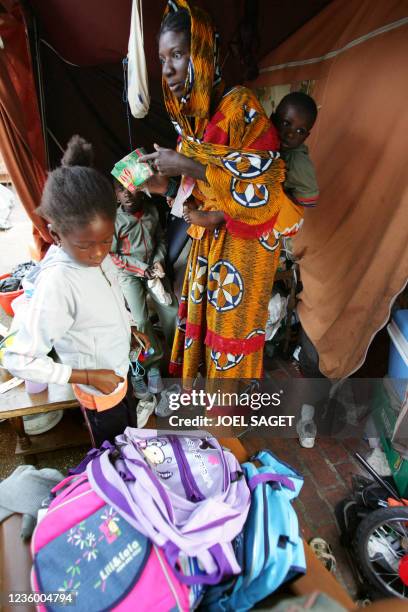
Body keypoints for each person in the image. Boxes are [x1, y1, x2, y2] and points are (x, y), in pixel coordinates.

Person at [139, 0, 303, 389]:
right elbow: (200, 191)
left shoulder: (241, 108)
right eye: (163, 58)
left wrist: (189, 167)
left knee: (230, 331)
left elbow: (263, 187)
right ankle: (214, 408)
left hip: (245, 248)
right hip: (210, 242)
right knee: (206, 323)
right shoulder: (190, 121)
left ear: (201, 54)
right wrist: (165, 186)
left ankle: (225, 416)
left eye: (178, 55)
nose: (168, 69)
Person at [3, 136, 150, 447]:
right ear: (56, 235)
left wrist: (130, 327)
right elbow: (18, 358)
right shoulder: (56, 282)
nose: (98, 253)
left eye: (106, 241)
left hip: (119, 374)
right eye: (85, 245)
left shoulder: (96, 252)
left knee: (131, 441)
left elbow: (105, 298)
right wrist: (88, 377)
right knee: (115, 457)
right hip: (99, 390)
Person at [111, 183, 178, 396]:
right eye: (121, 190)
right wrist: (142, 269)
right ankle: (153, 365)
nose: (127, 194)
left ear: (142, 190)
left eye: (131, 188)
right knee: (141, 320)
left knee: (172, 310)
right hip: (129, 274)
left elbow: (160, 239)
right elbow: (113, 255)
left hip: (153, 271)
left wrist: (158, 261)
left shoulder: (151, 210)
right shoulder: (114, 219)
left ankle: (178, 357)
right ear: (116, 194)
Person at [272, 91, 319, 209]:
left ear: (305, 137)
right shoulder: (266, 136)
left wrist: (281, 193)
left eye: (300, 131)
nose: (290, 135)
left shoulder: (298, 162)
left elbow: (310, 201)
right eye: (286, 123)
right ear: (273, 117)